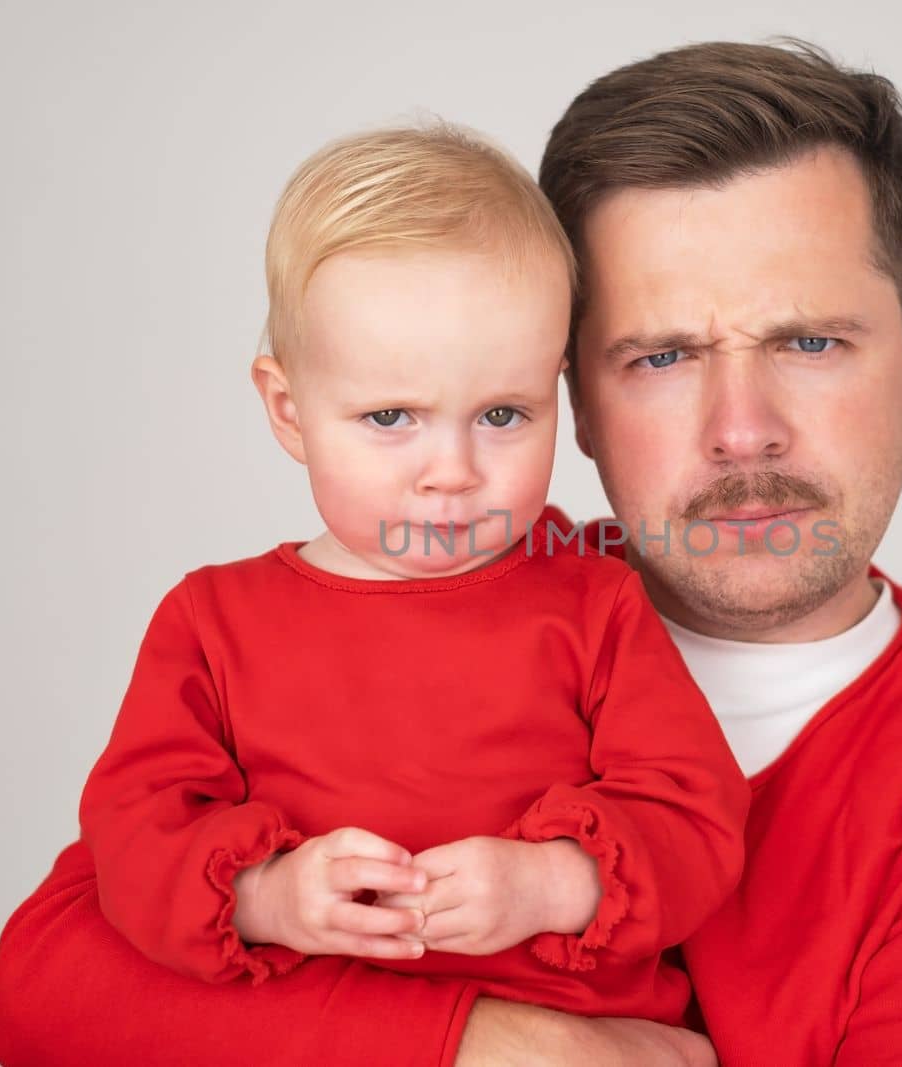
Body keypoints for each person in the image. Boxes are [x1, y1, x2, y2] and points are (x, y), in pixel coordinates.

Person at [0, 40, 902, 1066]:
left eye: (809, 340)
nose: (740, 426)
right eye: (657, 355)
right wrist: (485, 1048)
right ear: (571, 394)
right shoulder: (381, 609)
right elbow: (46, 984)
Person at [74, 124, 749, 1024]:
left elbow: (696, 817)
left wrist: (554, 882)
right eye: (392, 415)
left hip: (576, 1030)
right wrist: (267, 898)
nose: (453, 470)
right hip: (319, 1028)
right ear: (289, 410)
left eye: (504, 413)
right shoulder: (213, 622)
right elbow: (131, 838)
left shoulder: (593, 599)